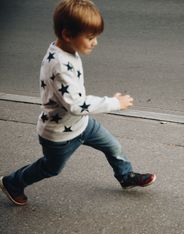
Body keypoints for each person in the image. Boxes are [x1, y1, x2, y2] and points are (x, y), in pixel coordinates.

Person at [0, 0, 156, 206]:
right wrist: (114, 103)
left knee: (113, 146)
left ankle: (125, 177)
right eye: (90, 38)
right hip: (59, 135)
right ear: (67, 35)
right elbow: (76, 104)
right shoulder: (59, 66)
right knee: (50, 168)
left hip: (82, 124)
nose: (95, 43)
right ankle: (12, 183)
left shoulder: (65, 49)